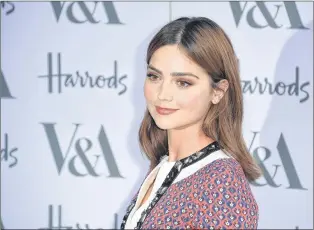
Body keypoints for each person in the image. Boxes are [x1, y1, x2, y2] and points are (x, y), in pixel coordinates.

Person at [120, 16, 262, 229]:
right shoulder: (163, 166)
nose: (163, 94)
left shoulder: (222, 183)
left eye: (183, 83)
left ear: (218, 91)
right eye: (154, 76)